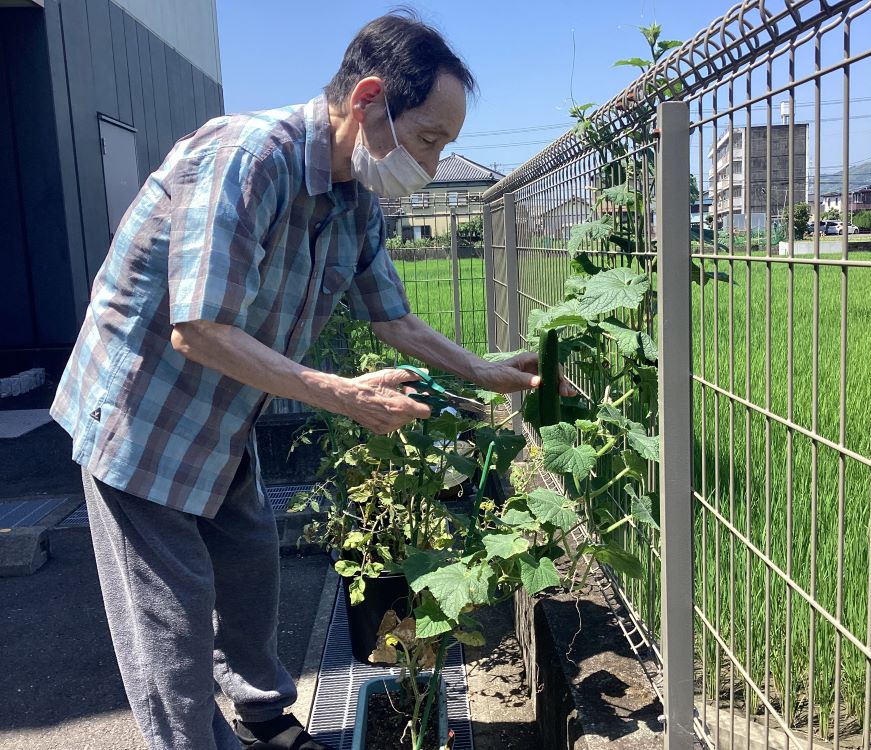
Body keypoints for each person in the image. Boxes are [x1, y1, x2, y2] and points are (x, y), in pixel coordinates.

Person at [50, 11, 568, 750]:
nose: (428, 164)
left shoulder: (355, 199)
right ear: (366, 99)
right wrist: (343, 394)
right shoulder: (248, 157)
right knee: (172, 613)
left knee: (249, 561)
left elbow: (396, 320)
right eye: (426, 140)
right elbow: (196, 328)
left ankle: (264, 721)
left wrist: (490, 374)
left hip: (224, 407)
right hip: (144, 410)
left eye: (445, 147)